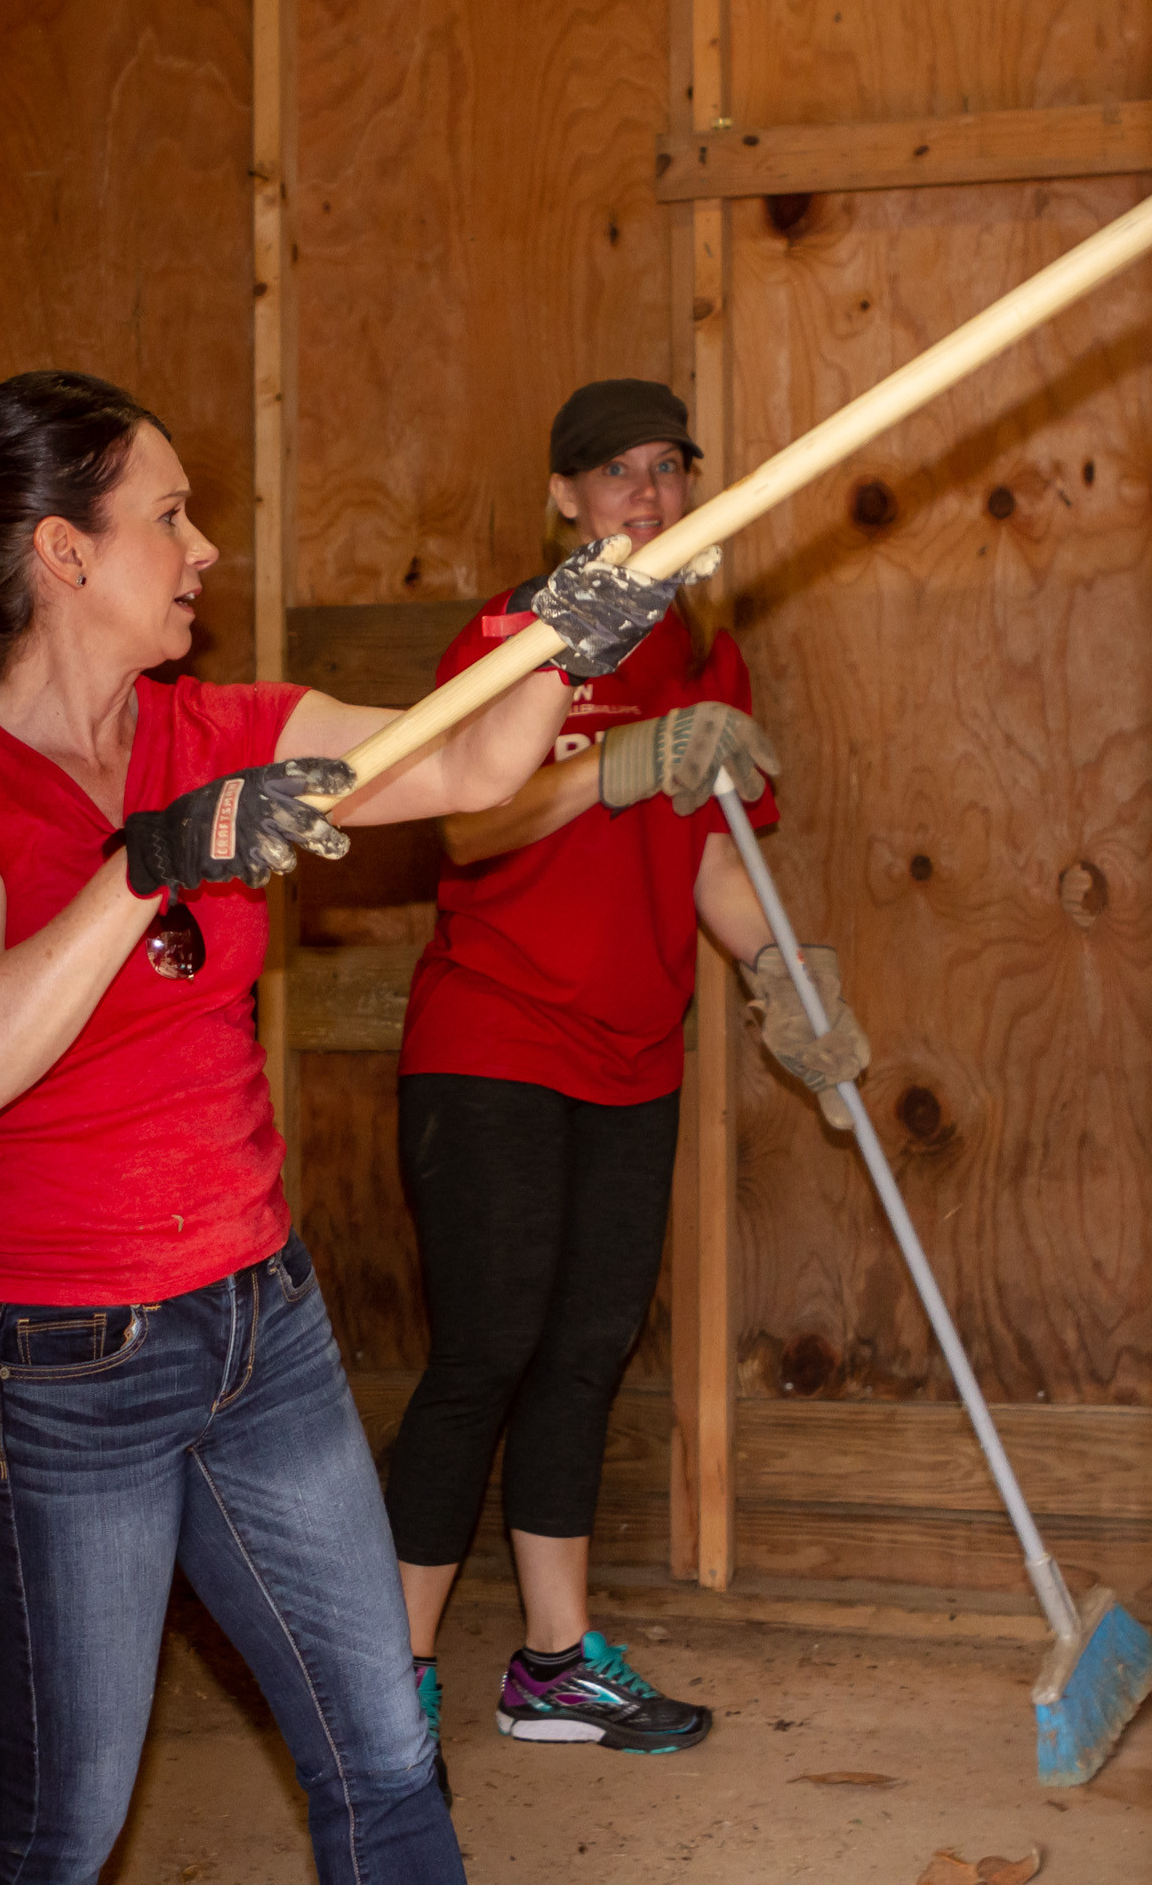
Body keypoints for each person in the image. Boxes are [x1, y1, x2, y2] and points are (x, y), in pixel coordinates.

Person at [0, 370, 698, 1885]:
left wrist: (565, 634)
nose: (204, 546)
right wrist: (144, 866)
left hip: (259, 1331)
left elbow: (474, 764)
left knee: (387, 1763)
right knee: (64, 1821)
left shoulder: (223, 726)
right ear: (63, 555)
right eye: (169, 516)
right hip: (62, 1368)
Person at [379, 379, 870, 1759]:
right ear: (563, 496)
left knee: (587, 1352)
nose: (644, 497)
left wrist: (783, 978)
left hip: (634, 1051)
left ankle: (551, 1666)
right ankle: (389, 1675)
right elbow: (466, 835)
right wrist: (614, 766)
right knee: (485, 1352)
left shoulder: (705, 651)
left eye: (666, 470)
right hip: (494, 1040)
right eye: (613, 474)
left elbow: (714, 848)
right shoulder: (511, 642)